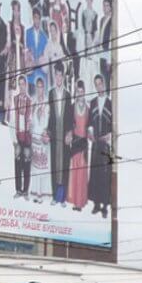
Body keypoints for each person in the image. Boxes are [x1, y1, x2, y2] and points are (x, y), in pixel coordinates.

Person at [87, 73, 113, 217]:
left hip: (106, 144)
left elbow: (113, 125)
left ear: (104, 83)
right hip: (96, 142)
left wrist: (109, 135)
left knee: (105, 174)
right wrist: (90, 133)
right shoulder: (92, 102)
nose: (99, 87)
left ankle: (104, 206)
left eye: (100, 83)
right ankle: (96, 204)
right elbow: (90, 122)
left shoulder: (110, 103)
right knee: (96, 173)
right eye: (96, 85)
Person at [47, 63, 72, 207]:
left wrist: (69, 133)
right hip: (54, 134)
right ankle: (54, 196)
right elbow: (50, 116)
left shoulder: (67, 95)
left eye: (60, 75)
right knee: (54, 165)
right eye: (56, 74)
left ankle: (62, 198)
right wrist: (48, 131)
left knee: (64, 165)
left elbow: (69, 117)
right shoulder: (51, 93)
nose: (58, 77)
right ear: (54, 76)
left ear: (63, 76)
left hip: (64, 135)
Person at [68, 78, 91, 210]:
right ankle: (74, 201)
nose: (80, 93)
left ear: (84, 92)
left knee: (82, 171)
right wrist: (69, 134)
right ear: (76, 92)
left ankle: (80, 202)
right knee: (75, 170)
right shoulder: (72, 107)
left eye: (82, 91)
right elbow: (70, 124)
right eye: (78, 91)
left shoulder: (88, 108)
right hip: (75, 141)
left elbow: (90, 127)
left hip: (84, 143)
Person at [28, 77, 51, 200]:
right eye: (38, 86)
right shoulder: (33, 101)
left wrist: (45, 132)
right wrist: (31, 128)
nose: (39, 89)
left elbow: (49, 119)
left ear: (44, 88)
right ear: (36, 88)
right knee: (35, 168)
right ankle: (35, 193)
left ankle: (43, 194)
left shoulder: (47, 102)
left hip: (43, 138)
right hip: (34, 138)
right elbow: (30, 119)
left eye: (42, 87)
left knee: (43, 167)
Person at [9, 75, 32, 198]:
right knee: (18, 164)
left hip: (27, 137)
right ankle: (18, 190)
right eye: (20, 84)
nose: (21, 86)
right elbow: (12, 121)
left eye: (23, 84)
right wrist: (13, 139)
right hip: (18, 136)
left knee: (27, 164)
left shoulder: (30, 100)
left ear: (26, 85)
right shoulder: (15, 99)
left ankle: (25, 191)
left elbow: (32, 119)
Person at [24, 9, 48, 92]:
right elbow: (25, 53)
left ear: (40, 20)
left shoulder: (44, 37)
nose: (36, 20)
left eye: (38, 18)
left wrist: (38, 62)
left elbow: (45, 57)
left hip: (41, 76)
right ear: (33, 18)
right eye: (35, 18)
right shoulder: (27, 33)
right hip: (30, 76)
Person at [65, 0, 83, 79]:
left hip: (77, 35)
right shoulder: (66, 2)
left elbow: (80, 22)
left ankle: (76, 77)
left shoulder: (80, 4)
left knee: (77, 57)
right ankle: (69, 74)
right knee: (68, 55)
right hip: (68, 34)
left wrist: (78, 34)